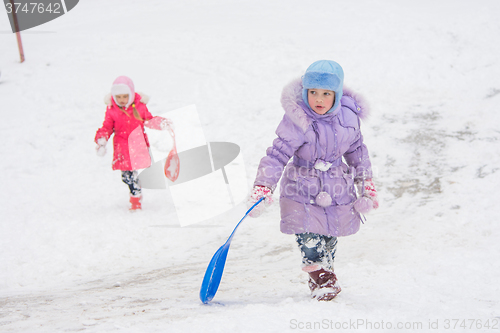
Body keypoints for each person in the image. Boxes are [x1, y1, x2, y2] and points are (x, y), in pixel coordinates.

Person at [247, 60, 379, 301]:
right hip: (302, 187)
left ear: (336, 95)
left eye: (326, 93)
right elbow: (277, 155)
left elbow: (358, 153)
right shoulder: (297, 119)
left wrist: (366, 184)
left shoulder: (348, 118)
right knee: (309, 235)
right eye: (313, 92)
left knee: (329, 237)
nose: (318, 99)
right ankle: (321, 277)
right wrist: (263, 186)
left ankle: (324, 272)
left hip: (337, 187)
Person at [95, 76, 172, 211]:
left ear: (130, 94)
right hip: (122, 148)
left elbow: (149, 120)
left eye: (125, 96)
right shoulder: (112, 110)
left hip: (138, 145)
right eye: (118, 97)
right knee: (126, 177)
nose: (122, 100)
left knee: (135, 175)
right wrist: (102, 139)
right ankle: (135, 192)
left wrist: (160, 123)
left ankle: (135, 200)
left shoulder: (140, 107)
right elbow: (107, 127)